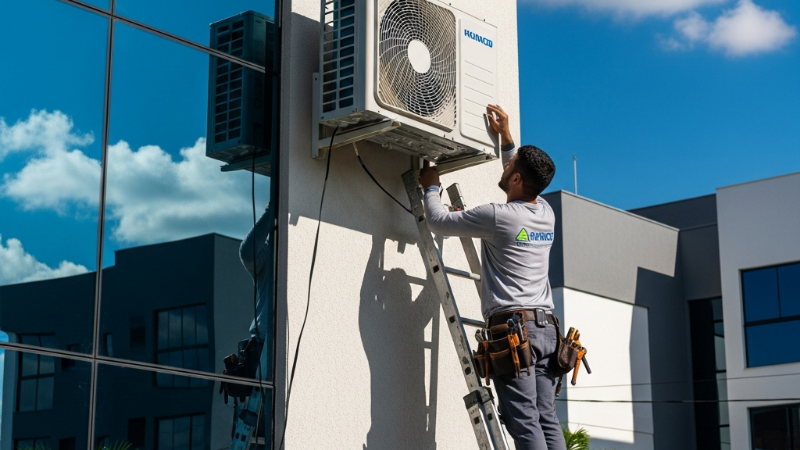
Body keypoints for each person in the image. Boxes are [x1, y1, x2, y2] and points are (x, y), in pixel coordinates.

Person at [417, 104, 565, 450]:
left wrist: (431, 187)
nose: (507, 165)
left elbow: (438, 221)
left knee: (523, 421)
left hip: (515, 328)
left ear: (516, 179)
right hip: (546, 331)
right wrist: (507, 138)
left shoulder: (498, 217)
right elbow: (519, 171)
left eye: (510, 165)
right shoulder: (545, 213)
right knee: (545, 417)